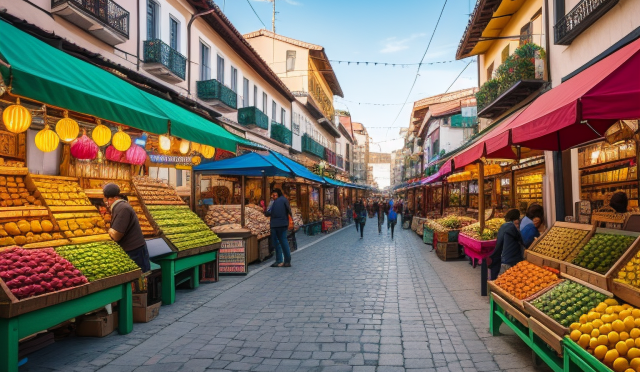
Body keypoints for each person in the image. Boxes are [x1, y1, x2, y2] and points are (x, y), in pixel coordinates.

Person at [103, 183, 150, 272]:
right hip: (133, 250)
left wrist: (108, 230)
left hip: (135, 252)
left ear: (109, 199)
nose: (106, 203)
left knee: (140, 278)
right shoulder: (120, 206)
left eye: (106, 200)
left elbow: (117, 235)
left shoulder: (123, 208)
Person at [488, 209, 524, 280]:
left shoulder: (503, 226)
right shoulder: (511, 227)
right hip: (511, 259)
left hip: (503, 258)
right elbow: (521, 240)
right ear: (516, 219)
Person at [264, 188, 292, 267]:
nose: (273, 197)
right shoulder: (285, 200)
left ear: (277, 194)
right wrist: (291, 221)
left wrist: (266, 211)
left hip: (275, 225)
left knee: (276, 242)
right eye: (273, 195)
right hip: (283, 224)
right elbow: (289, 210)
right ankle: (287, 260)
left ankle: (279, 260)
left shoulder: (272, 202)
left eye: (274, 195)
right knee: (284, 241)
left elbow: (267, 213)